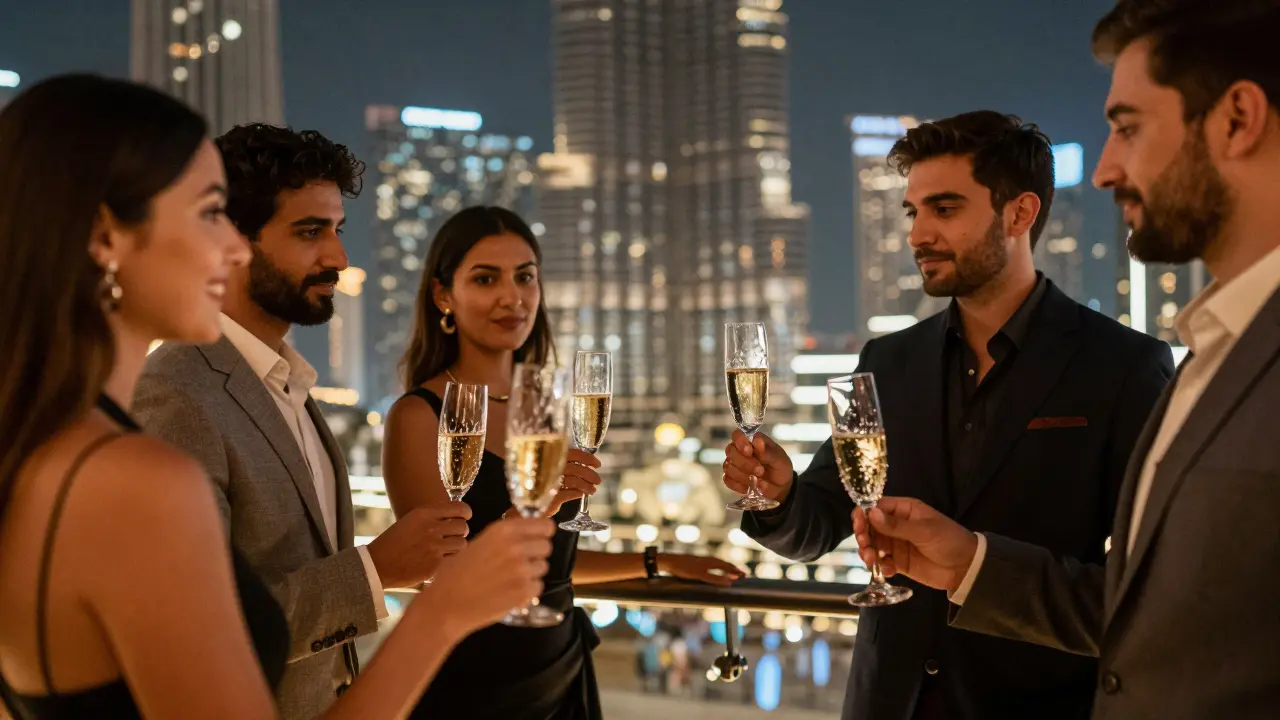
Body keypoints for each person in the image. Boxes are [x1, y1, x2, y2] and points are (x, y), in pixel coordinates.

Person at [0, 73, 553, 720]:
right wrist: (440, 611)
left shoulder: (55, 442)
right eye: (211, 212)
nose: (232, 247)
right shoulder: (137, 472)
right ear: (104, 237)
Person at [849, 1, 1280, 718]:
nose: (1107, 169)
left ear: (1237, 118)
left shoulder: (1140, 361)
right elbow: (1144, 604)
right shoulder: (1216, 349)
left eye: (1128, 127)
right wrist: (969, 564)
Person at [722, 112, 1174, 719]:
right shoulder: (888, 358)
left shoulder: (1124, 366)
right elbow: (823, 519)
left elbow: (1149, 585)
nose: (917, 235)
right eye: (913, 212)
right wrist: (778, 496)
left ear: (1020, 214)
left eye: (945, 208)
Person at [130, 123, 475, 718]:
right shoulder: (175, 392)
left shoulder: (290, 386)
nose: (339, 258)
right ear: (232, 241)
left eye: (337, 231)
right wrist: (376, 569)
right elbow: (198, 629)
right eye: (310, 232)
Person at [382, 205, 746, 719]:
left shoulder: (544, 412)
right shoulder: (419, 416)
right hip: (475, 676)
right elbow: (437, 571)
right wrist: (534, 512)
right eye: (486, 279)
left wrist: (655, 562)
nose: (512, 297)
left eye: (525, 277)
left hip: (560, 669)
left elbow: (553, 569)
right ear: (444, 295)